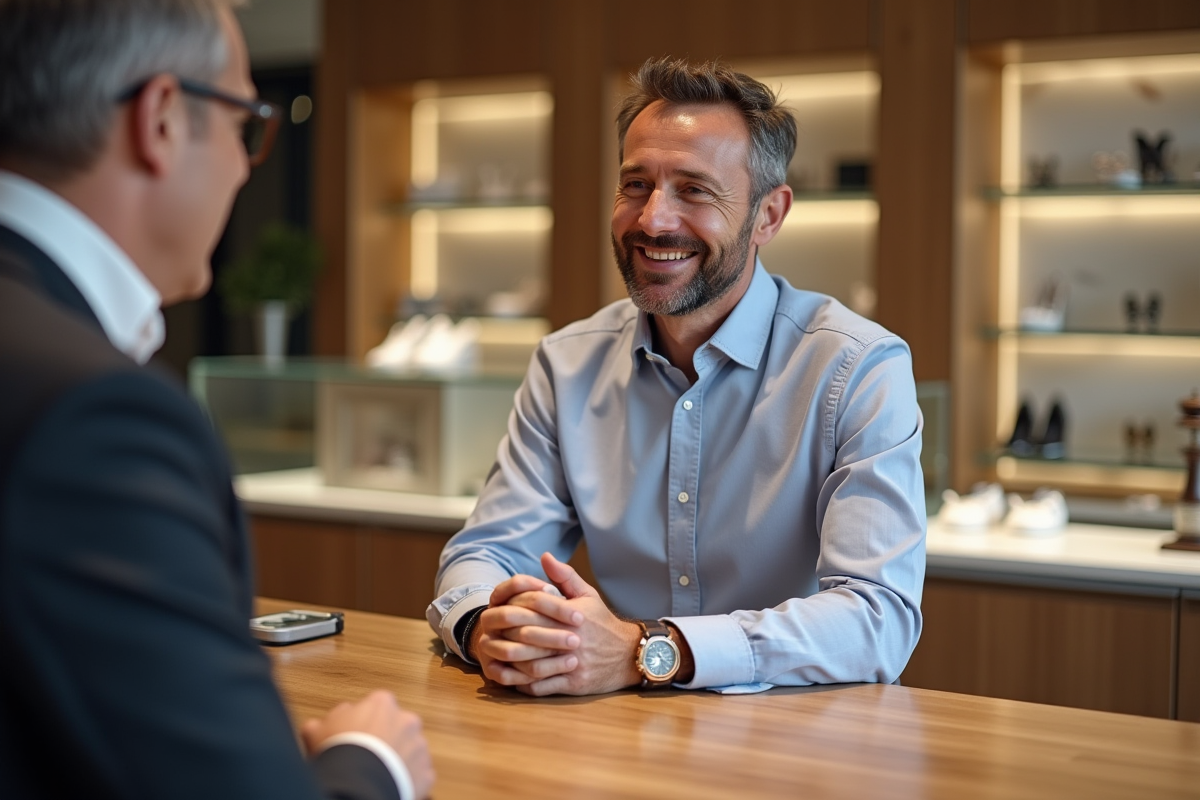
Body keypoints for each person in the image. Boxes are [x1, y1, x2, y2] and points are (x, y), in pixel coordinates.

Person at [0, 2, 433, 798]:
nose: (246, 165)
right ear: (161, 119)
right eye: (245, 123)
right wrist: (373, 763)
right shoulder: (97, 416)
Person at [427, 57, 926, 696]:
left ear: (768, 216)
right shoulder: (567, 363)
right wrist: (485, 626)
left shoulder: (857, 368)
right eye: (635, 184)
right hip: (614, 734)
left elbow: (877, 620)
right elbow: (485, 552)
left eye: (694, 189)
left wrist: (650, 650)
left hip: (796, 746)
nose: (654, 220)